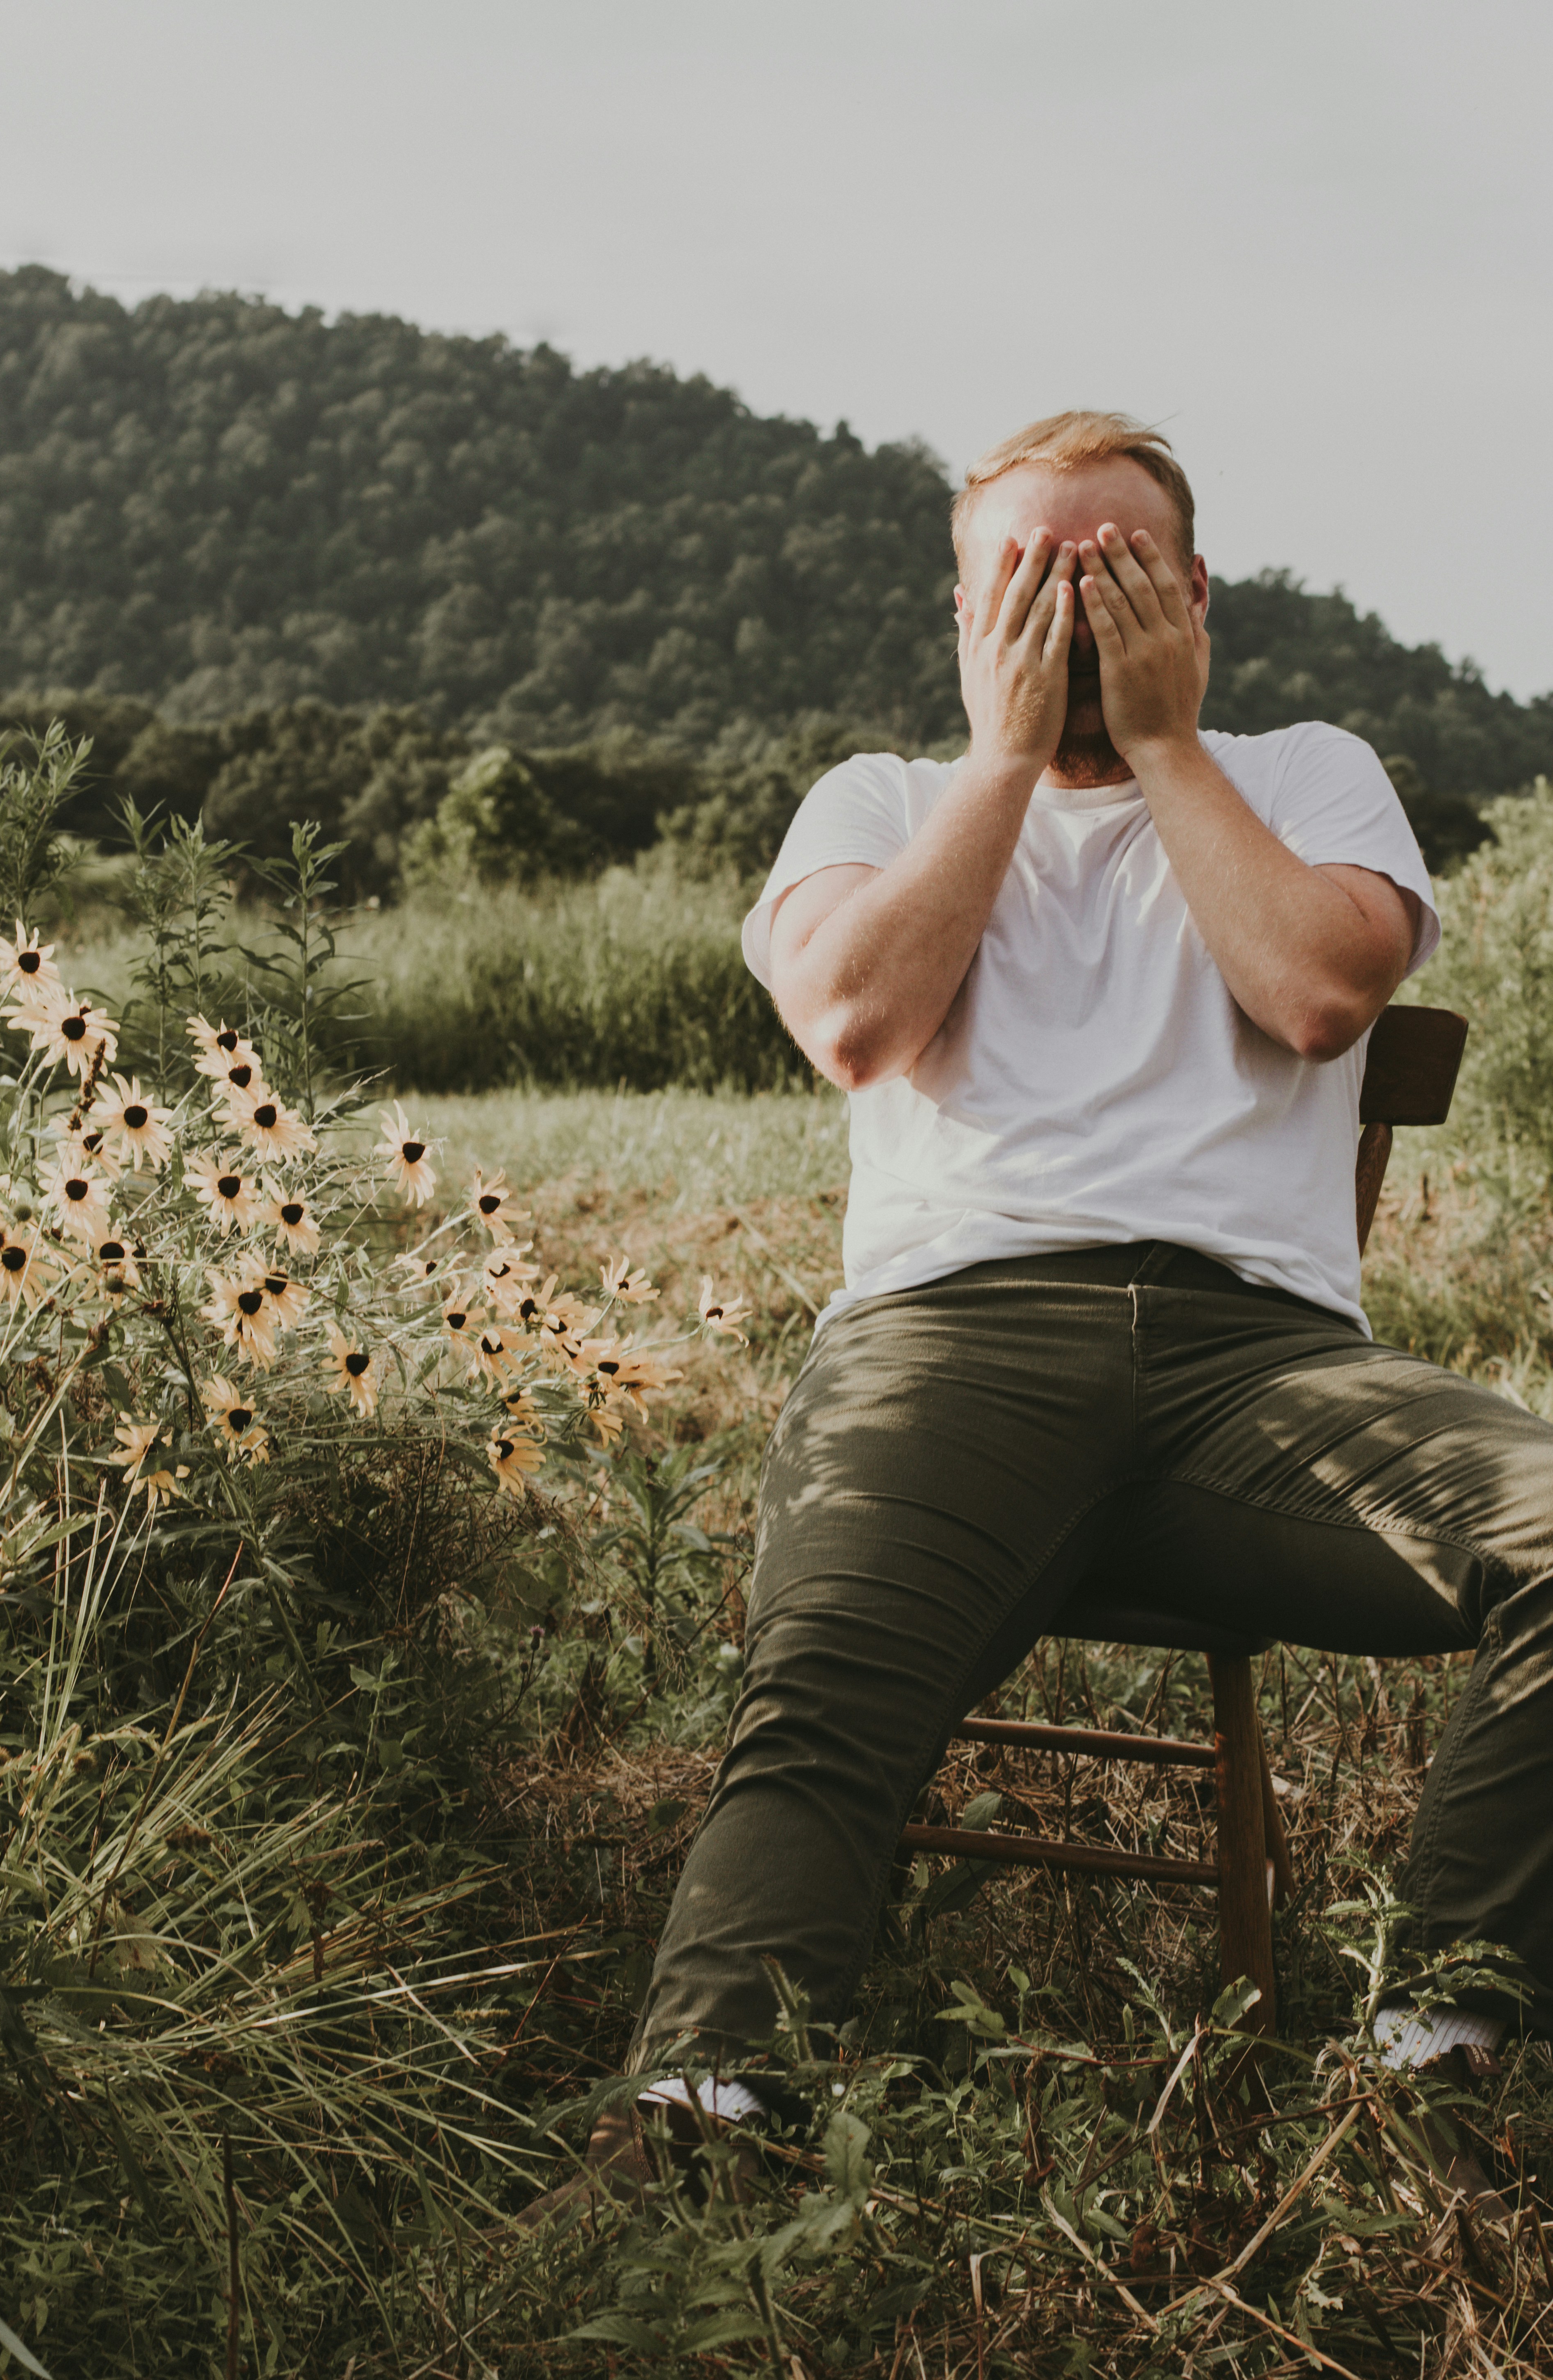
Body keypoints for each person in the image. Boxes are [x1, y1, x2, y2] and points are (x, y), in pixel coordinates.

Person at [528, 410, 1553, 2217]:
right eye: (1028, 577)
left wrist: (1158, 741)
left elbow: (1319, 995)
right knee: (824, 1690)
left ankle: (1437, 2060)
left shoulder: (1307, 773)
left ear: (1194, 595)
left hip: (1268, 1378)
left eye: (1115, 571)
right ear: (958, 613)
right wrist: (1005, 762)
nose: (1073, 612)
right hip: (954, 1347)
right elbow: (851, 1024)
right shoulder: (875, 803)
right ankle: (701, 2136)